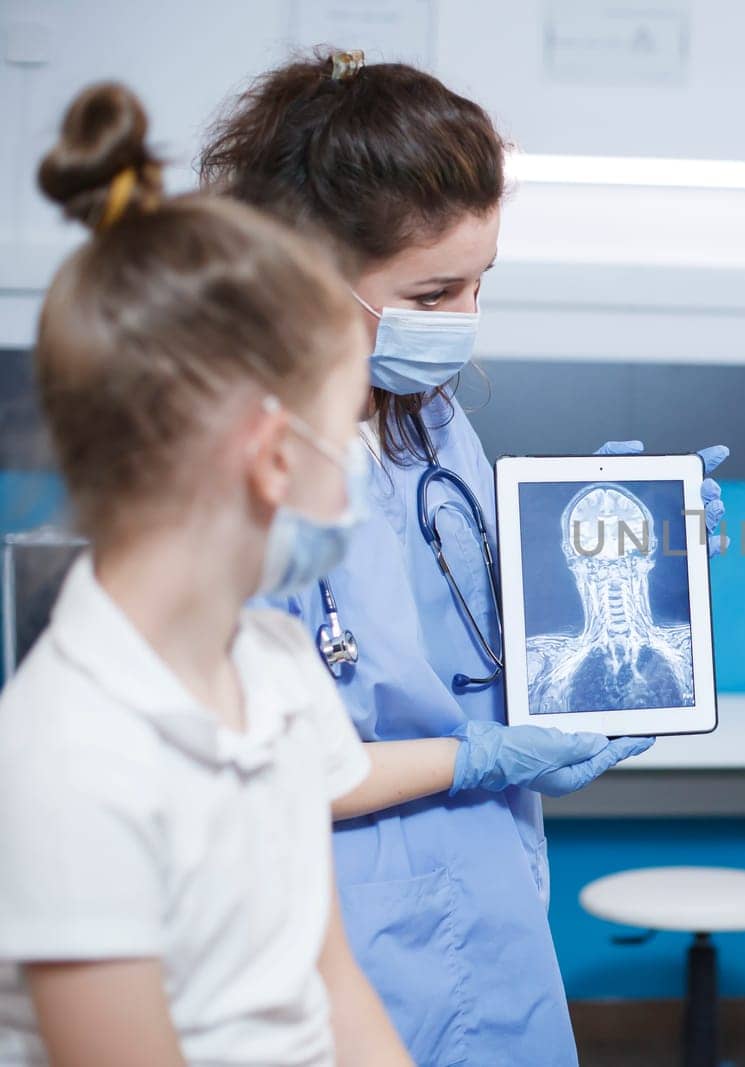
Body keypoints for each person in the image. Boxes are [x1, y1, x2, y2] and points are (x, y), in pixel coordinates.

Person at [198, 52, 727, 1064]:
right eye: (434, 291)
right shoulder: (227, 463)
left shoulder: (428, 423)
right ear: (302, 272)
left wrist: (607, 531)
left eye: (480, 283)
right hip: (333, 911)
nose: (464, 320)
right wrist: (478, 754)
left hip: (487, 890)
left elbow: (486, 623)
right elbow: (261, 762)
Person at [0, 83, 408, 1064]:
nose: (361, 456)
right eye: (349, 421)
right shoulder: (67, 757)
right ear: (274, 457)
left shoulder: (271, 663)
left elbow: (332, 985)